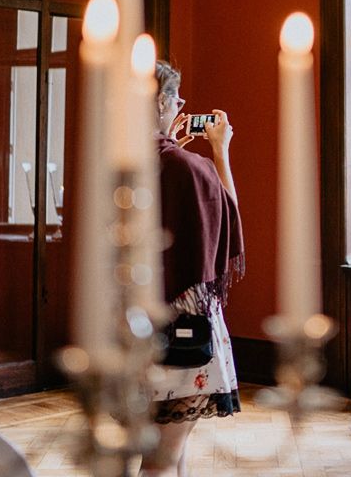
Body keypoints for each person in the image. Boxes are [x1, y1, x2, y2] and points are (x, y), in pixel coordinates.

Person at [144, 61, 245, 477]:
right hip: (182, 332)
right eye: (177, 99)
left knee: (168, 452)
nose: (180, 106)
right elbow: (230, 219)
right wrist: (219, 152)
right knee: (163, 460)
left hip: (131, 327)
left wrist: (175, 146)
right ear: (161, 103)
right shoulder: (188, 168)